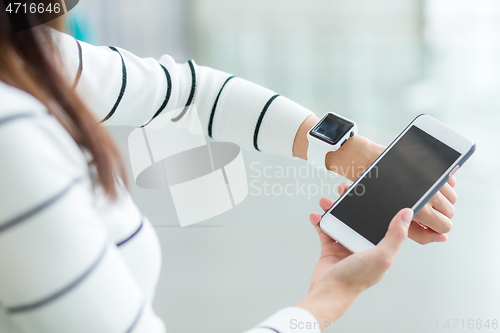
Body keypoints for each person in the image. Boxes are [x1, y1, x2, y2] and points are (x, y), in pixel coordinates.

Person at [0, 7, 457, 333]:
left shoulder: (29, 55)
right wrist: (330, 299)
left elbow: (184, 91)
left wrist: (344, 151)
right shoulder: (12, 134)